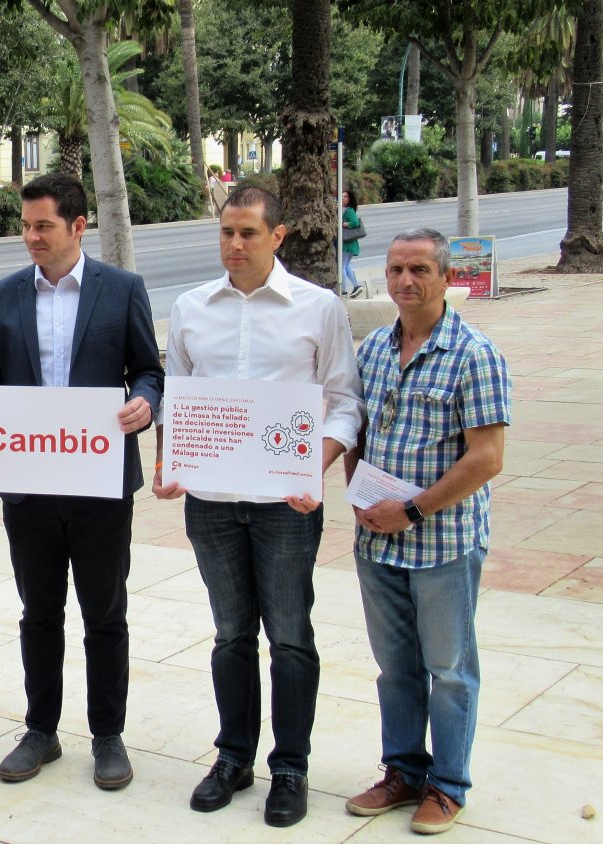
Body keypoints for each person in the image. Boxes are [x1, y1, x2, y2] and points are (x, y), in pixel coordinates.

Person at [153, 186, 362, 827]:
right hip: (212, 504)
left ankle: (290, 768)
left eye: (248, 232)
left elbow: (345, 400)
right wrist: (170, 461)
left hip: (285, 505)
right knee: (231, 635)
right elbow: (178, 400)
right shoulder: (190, 309)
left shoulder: (319, 308)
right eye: (226, 232)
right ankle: (234, 758)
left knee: (291, 638)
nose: (235, 245)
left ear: (278, 236)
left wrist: (315, 465)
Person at [0, 172, 164, 790]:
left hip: (99, 481)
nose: (30, 237)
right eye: (24, 226)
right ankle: (40, 730)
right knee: (38, 612)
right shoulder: (4, 294)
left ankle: (107, 736)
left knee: (105, 614)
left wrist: (145, 404)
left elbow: (150, 371)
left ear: (78, 226)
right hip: (28, 482)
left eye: (42, 225)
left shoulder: (122, 290)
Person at [342, 228, 509, 836]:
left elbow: (487, 457)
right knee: (396, 668)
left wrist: (411, 511)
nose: (405, 281)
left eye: (418, 269)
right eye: (394, 270)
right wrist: (357, 489)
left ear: (444, 277)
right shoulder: (375, 350)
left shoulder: (474, 354)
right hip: (376, 543)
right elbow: (355, 425)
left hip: (441, 545)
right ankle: (404, 771)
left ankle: (448, 785)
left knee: (449, 667)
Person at [342, 190, 364, 297]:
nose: (343, 198)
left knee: (342, 266)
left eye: (345, 196)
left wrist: (343, 224)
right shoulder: (343, 210)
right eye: (342, 196)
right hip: (348, 243)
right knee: (346, 265)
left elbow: (355, 223)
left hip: (347, 243)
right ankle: (356, 286)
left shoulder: (349, 211)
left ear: (349, 199)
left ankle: (343, 291)